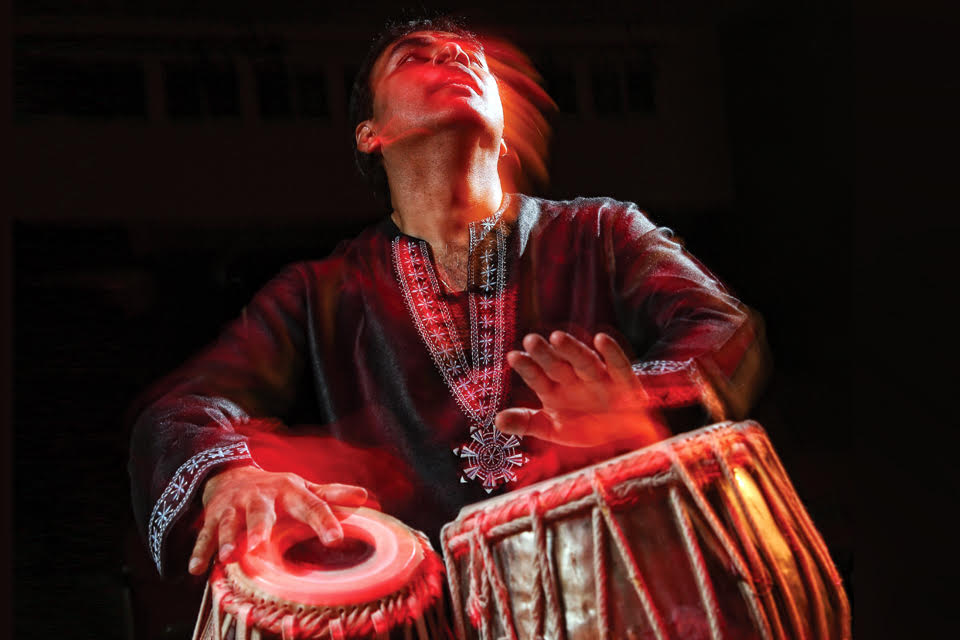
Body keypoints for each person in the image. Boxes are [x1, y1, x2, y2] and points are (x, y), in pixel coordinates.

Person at [127, 16, 768, 580]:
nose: (455, 59)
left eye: (470, 58)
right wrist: (228, 476)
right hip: (426, 610)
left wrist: (639, 399)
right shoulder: (319, 292)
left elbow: (722, 326)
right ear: (370, 133)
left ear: (504, 136)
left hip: (613, 584)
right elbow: (181, 408)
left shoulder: (602, 232)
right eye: (415, 55)